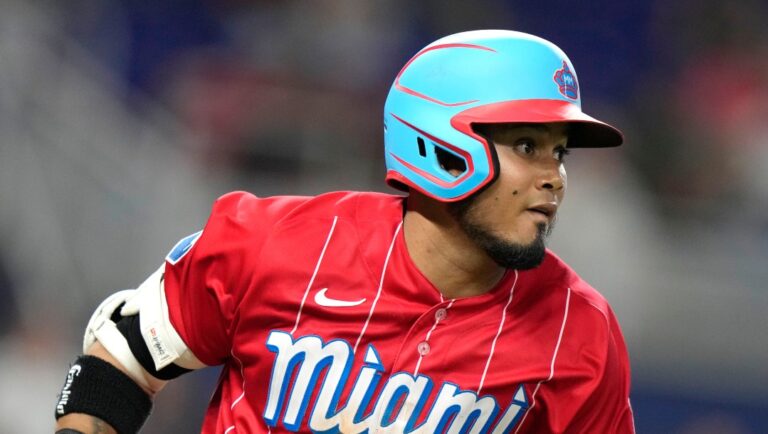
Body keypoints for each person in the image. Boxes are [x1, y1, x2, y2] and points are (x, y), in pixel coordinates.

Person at [55, 30, 635, 434]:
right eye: (528, 147)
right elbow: (124, 356)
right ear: (440, 145)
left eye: (559, 153)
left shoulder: (579, 333)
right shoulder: (272, 242)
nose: (553, 178)